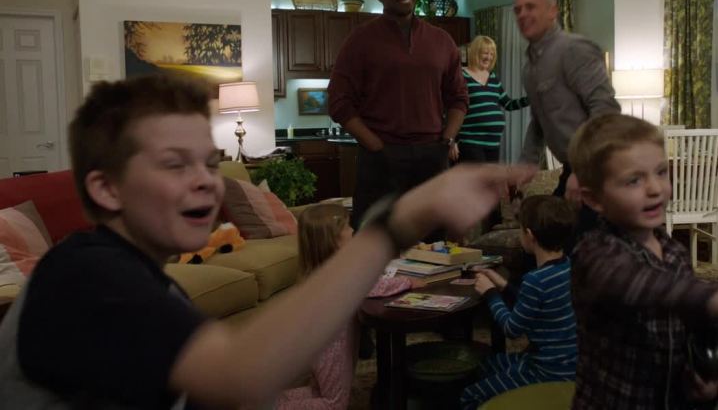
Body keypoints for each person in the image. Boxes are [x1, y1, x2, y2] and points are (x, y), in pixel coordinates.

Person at [0, 74, 536, 409]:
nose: (206, 181)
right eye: (174, 164)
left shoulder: (150, 286)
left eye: (209, 163)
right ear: (106, 188)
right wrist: (401, 220)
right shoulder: (81, 275)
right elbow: (239, 376)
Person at [568, 113, 718, 409]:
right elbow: (647, 287)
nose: (655, 188)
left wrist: (703, 378)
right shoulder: (594, 253)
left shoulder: (674, 251)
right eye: (634, 180)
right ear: (594, 199)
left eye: (661, 172)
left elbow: (689, 318)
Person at [328, 0, 468, 232]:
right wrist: (375, 145)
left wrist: (447, 139)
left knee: (437, 243)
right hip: (382, 159)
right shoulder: (360, 40)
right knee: (374, 241)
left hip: (432, 156)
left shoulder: (441, 41)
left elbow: (459, 97)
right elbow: (338, 101)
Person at [276, 203, 423, 409]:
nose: (353, 230)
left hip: (321, 346)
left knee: (320, 392)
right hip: (331, 349)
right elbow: (371, 285)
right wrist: (408, 282)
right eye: (347, 227)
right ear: (334, 240)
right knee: (334, 403)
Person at [460, 195, 577, 410]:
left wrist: (490, 293)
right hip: (569, 367)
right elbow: (537, 305)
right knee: (488, 364)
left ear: (529, 235)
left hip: (545, 371)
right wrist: (504, 285)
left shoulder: (535, 280)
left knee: (470, 395)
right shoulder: (567, 267)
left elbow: (512, 330)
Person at [513, 0, 620, 202]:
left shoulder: (574, 50)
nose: (522, 14)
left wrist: (584, 171)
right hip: (572, 167)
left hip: (599, 167)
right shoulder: (529, 68)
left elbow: (606, 111)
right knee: (551, 220)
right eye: (518, 10)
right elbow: (539, 121)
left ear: (552, 11)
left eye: (530, 7)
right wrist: (526, 164)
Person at [450, 35, 528, 165]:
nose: (489, 57)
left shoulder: (493, 78)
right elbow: (451, 108)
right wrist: (452, 140)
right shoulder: (461, 76)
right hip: (470, 142)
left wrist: (531, 99)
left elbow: (508, 104)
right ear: (475, 53)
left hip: (493, 144)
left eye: (492, 54)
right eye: (485, 53)